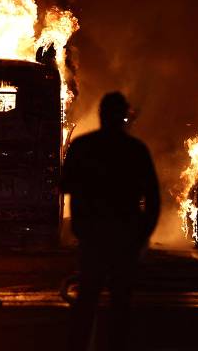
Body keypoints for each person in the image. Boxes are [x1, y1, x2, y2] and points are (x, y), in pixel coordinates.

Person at [62, 92, 160, 351]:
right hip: (124, 237)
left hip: (93, 236)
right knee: (121, 303)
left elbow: (65, 185)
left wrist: (80, 225)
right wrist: (142, 234)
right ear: (124, 116)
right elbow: (153, 198)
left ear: (101, 115)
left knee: (87, 300)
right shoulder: (135, 150)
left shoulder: (82, 146)